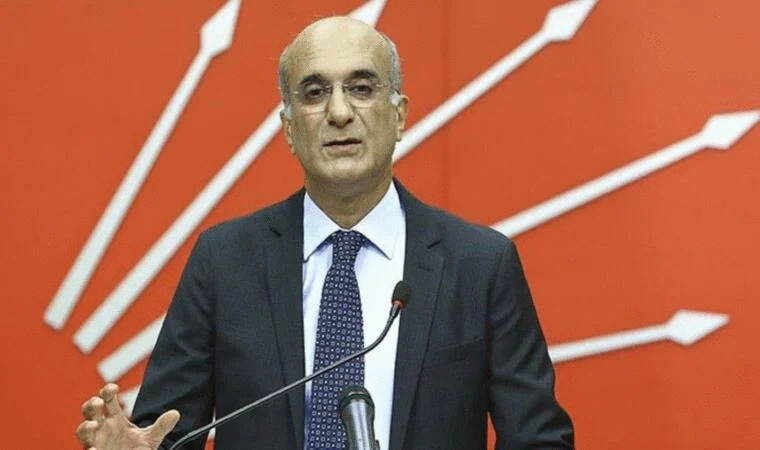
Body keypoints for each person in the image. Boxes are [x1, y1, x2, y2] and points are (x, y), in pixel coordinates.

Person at [77, 16, 574, 450]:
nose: (339, 113)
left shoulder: (480, 264)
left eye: (361, 88)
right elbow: (165, 434)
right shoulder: (224, 261)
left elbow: (538, 439)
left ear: (399, 115)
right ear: (289, 128)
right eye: (315, 93)